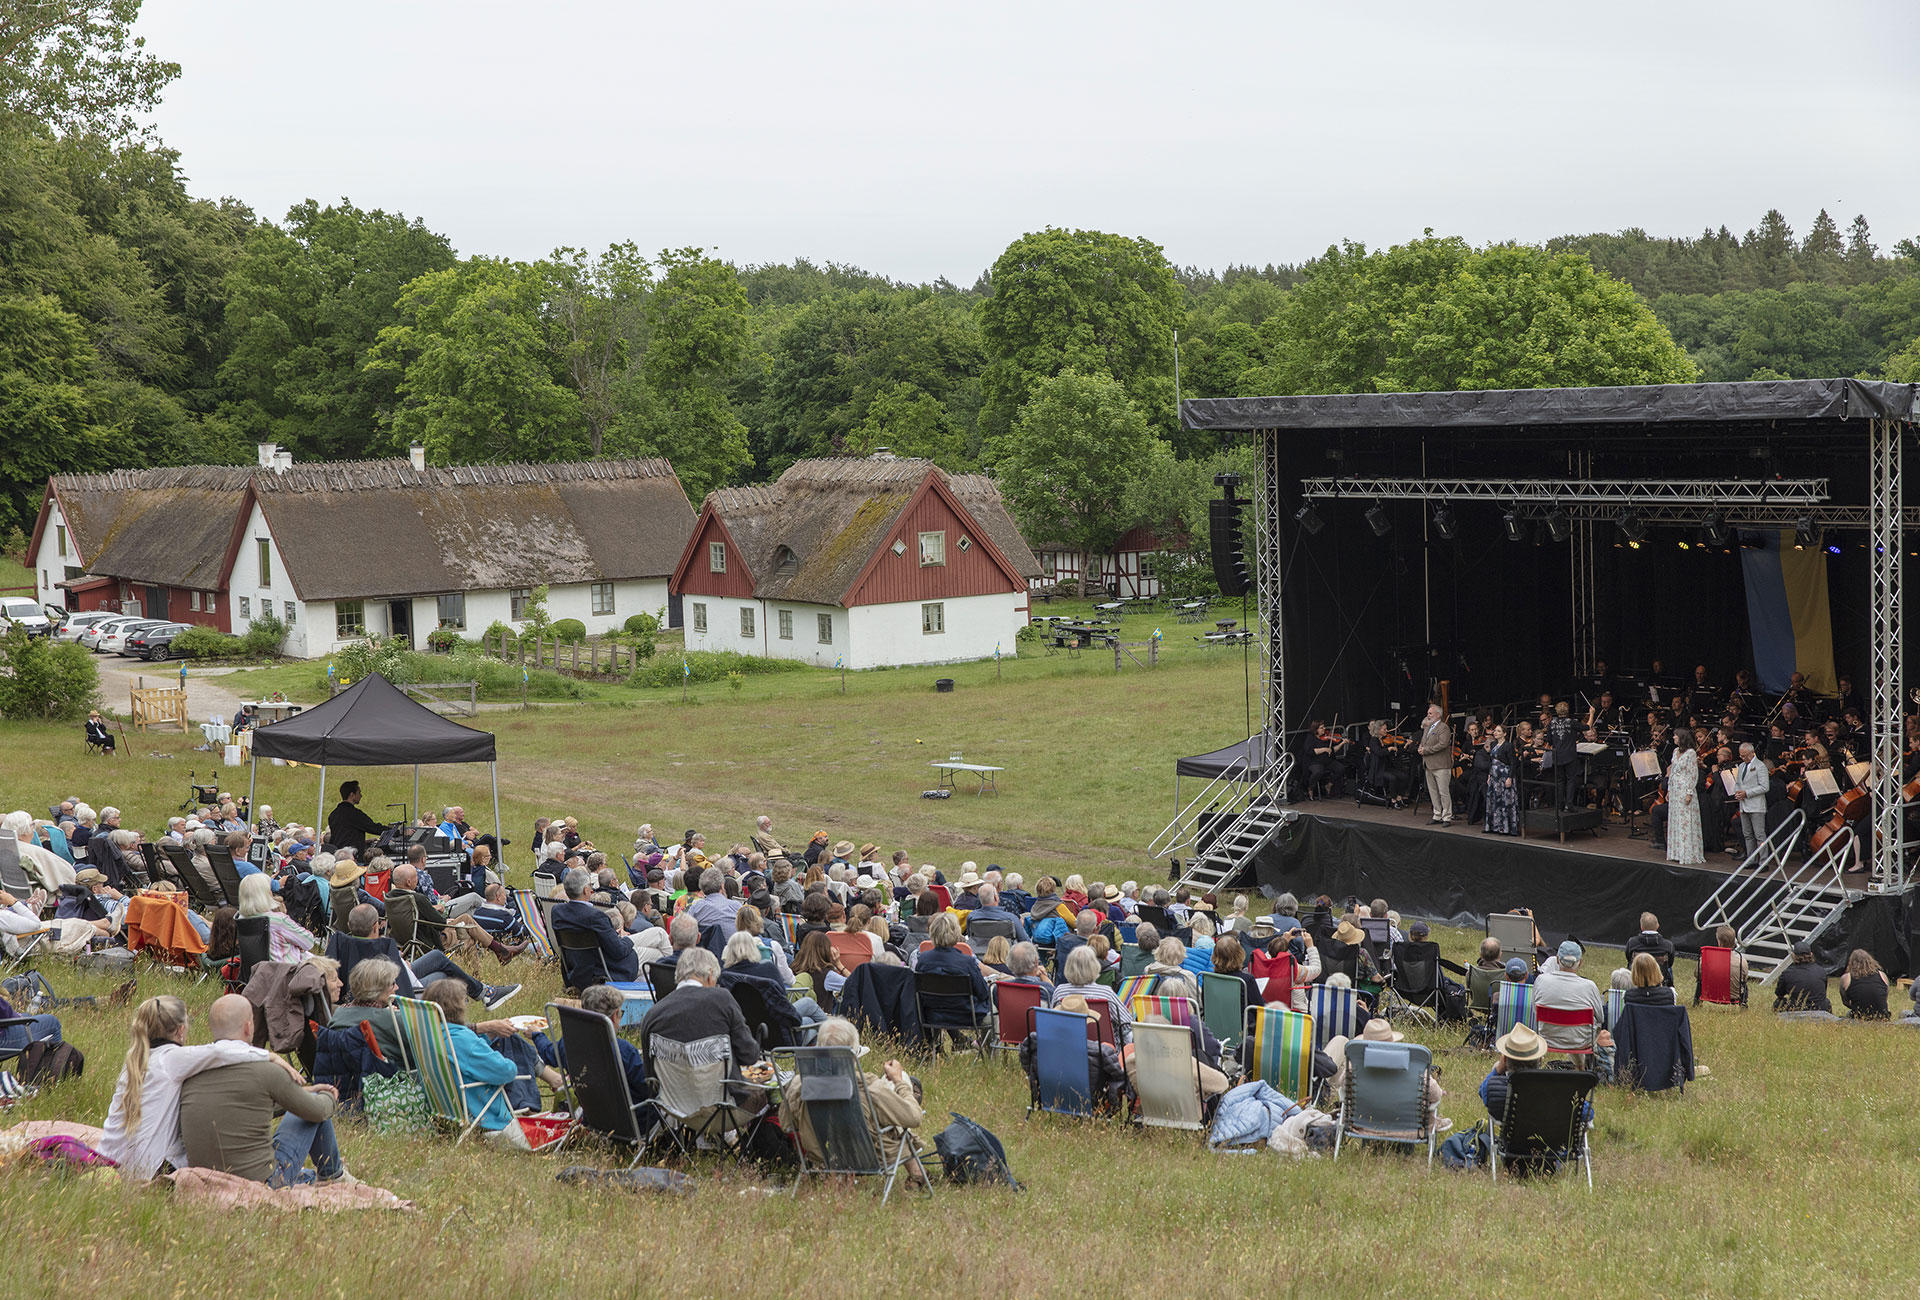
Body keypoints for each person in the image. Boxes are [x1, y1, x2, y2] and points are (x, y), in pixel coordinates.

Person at [96, 995, 291, 1180]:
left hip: (111, 1163)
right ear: (181, 1030)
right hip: (149, 1170)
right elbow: (222, 1051)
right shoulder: (171, 1058)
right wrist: (270, 1056)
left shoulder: (135, 1060)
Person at [176, 994, 347, 1185]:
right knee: (314, 1106)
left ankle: (317, 1176)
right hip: (262, 1181)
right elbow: (317, 1111)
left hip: (205, 1177)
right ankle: (333, 1175)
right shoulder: (266, 1070)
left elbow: (247, 1104)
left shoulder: (192, 1071)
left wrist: (301, 1093)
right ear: (248, 1027)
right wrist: (328, 1095)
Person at [779, 1016, 924, 1180]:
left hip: (823, 1157)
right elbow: (915, 1117)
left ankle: (917, 1174)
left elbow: (786, 1125)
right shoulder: (870, 1089)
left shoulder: (800, 1085)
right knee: (901, 1082)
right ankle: (917, 1175)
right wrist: (899, 1081)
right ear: (854, 1054)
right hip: (871, 1157)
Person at [417, 981, 543, 1150]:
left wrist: (488, 1033)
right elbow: (506, 1071)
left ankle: (552, 1083)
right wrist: (499, 1056)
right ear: (458, 1007)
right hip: (479, 1112)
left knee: (507, 1038)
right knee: (510, 1057)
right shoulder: (462, 1040)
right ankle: (531, 1110)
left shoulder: (425, 1032)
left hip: (444, 1108)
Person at [637, 947, 765, 1100]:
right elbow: (749, 1055)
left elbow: (650, 1076)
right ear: (711, 975)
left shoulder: (652, 1015)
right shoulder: (721, 999)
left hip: (674, 1107)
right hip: (724, 1106)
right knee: (771, 1095)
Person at [550, 866, 639, 984]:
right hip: (602, 969)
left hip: (576, 970)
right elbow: (618, 951)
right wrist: (628, 939)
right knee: (657, 940)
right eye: (590, 886)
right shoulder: (595, 916)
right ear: (586, 890)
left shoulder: (557, 912)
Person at [916, 912, 991, 1024]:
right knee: (994, 1015)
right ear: (956, 933)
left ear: (932, 932)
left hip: (933, 1015)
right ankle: (983, 1042)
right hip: (967, 1015)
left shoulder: (923, 960)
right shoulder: (966, 962)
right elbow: (983, 993)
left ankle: (959, 1039)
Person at [1531, 940, 1602, 1053]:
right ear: (1580, 963)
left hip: (1546, 1040)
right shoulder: (1590, 986)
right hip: (1582, 1042)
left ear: (1558, 959)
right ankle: (1581, 1067)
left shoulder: (1541, 981)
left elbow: (1534, 1010)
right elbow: (1600, 1018)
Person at [1049, 945, 1130, 1036]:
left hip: (1068, 1042)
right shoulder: (1106, 994)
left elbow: (1052, 1021)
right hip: (1103, 1046)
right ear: (1095, 966)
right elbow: (1127, 1024)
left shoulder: (1060, 992)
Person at [237, 873, 316, 964]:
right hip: (284, 972)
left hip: (255, 971)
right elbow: (308, 941)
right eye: (269, 890)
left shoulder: (241, 918)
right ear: (263, 895)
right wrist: (296, 944)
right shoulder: (277, 921)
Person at [1665, 729, 1704, 865]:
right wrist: (1669, 790)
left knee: (1685, 820)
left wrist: (1689, 792)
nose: (1674, 737)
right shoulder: (1675, 751)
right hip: (1675, 789)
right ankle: (1676, 852)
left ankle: (1687, 853)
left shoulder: (1691, 753)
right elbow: (1673, 771)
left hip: (1684, 790)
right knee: (1675, 820)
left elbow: (1693, 774)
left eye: (1675, 735)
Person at [325, 781, 385, 860]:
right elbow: (373, 827)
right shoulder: (354, 814)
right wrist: (395, 831)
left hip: (337, 854)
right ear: (352, 795)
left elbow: (344, 835)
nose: (361, 796)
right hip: (351, 856)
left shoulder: (333, 814)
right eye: (359, 793)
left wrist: (365, 841)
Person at [1773, 941, 1835, 1016]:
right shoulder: (1821, 971)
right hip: (1819, 1009)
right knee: (1826, 1002)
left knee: (1778, 1002)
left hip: (1795, 1009)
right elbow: (1823, 992)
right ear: (1811, 954)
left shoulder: (1787, 973)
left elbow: (1779, 994)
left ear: (1794, 956)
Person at [1417, 703, 1454, 825]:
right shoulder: (1428, 727)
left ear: (1438, 715)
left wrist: (1426, 750)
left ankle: (1447, 816)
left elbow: (1443, 744)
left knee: (1443, 792)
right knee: (1433, 791)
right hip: (1428, 764)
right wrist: (1420, 747)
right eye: (1428, 713)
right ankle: (1437, 814)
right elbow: (1424, 742)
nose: (1428, 715)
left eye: (1430, 713)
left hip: (1441, 765)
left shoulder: (1443, 727)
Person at [1732, 742, 1770, 858]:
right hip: (1744, 805)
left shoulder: (1760, 766)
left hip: (1756, 805)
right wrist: (1737, 792)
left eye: (1745, 756)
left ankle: (1763, 860)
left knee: (1759, 835)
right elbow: (1738, 782)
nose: (1743, 758)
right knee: (1747, 834)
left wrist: (1746, 793)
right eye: (1741, 756)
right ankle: (1751, 858)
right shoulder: (1742, 766)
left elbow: (1765, 787)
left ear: (1752, 753)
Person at [1483, 723, 1520, 836]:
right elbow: (1491, 761)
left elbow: (1513, 763)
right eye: (1495, 731)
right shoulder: (1494, 744)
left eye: (1498, 731)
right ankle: (1494, 826)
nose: (1495, 733)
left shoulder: (1508, 746)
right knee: (1493, 799)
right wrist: (1489, 775)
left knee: (1505, 800)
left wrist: (1510, 777)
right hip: (1494, 775)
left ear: (1504, 733)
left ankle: (1506, 827)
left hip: (1504, 775)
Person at [1624, 913, 1676, 987]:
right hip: (1660, 980)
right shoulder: (1668, 945)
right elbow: (1670, 963)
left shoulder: (1632, 942)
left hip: (1637, 980)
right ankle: (1669, 987)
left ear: (1642, 927)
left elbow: (1629, 958)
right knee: (1667, 967)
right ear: (1657, 926)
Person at [1839, 948, 1891, 1020]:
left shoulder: (1846, 978)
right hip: (1882, 1017)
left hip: (1859, 1018)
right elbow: (1884, 997)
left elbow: (1845, 1001)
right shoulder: (1882, 975)